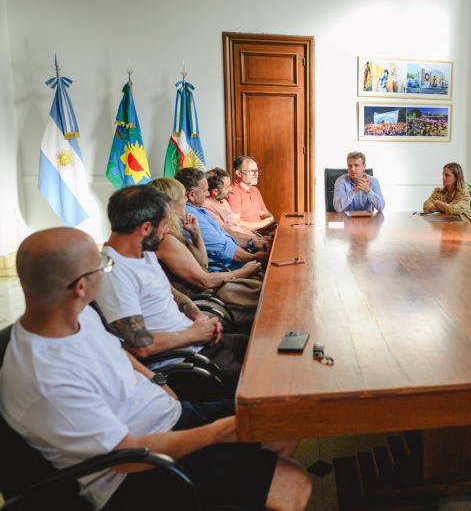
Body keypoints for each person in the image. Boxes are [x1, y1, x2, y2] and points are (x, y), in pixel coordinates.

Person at [0, 227, 311, 511]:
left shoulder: (72, 314)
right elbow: (127, 458)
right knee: (294, 485)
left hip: (168, 419)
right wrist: (217, 433)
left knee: (281, 421)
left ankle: (243, 489)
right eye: (102, 267)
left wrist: (155, 378)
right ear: (80, 286)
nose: (107, 271)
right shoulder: (47, 379)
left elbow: (117, 351)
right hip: (135, 473)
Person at [94, 185, 249, 398]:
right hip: (184, 361)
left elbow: (174, 295)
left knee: (264, 347)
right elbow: (141, 346)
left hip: (196, 341)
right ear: (146, 228)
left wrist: (201, 318)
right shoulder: (113, 273)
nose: (167, 232)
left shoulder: (144, 253)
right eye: (165, 225)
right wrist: (195, 333)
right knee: (265, 382)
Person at [148, 177, 262, 327]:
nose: (186, 201)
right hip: (202, 304)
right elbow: (204, 281)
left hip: (208, 297)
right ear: (172, 204)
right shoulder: (166, 241)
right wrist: (244, 272)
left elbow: (203, 265)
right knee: (265, 310)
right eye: (183, 197)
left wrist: (196, 234)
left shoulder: (175, 232)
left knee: (264, 302)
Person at [175, 167, 270, 271]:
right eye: (206, 191)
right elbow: (224, 250)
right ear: (192, 195)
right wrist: (255, 257)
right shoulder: (191, 216)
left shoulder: (198, 210)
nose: (207, 194)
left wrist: (253, 242)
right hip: (229, 269)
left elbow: (226, 235)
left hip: (237, 261)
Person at [204, 167, 270, 247]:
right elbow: (227, 232)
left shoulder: (223, 201)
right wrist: (255, 241)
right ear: (215, 191)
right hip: (238, 246)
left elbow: (237, 225)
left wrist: (258, 238)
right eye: (228, 187)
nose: (231, 189)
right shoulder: (206, 208)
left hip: (248, 241)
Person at [227, 155, 276, 234]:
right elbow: (235, 223)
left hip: (263, 232)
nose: (256, 174)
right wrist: (262, 224)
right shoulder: (233, 192)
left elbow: (263, 211)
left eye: (256, 171)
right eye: (251, 171)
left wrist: (270, 218)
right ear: (239, 173)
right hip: (250, 236)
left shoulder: (254, 190)